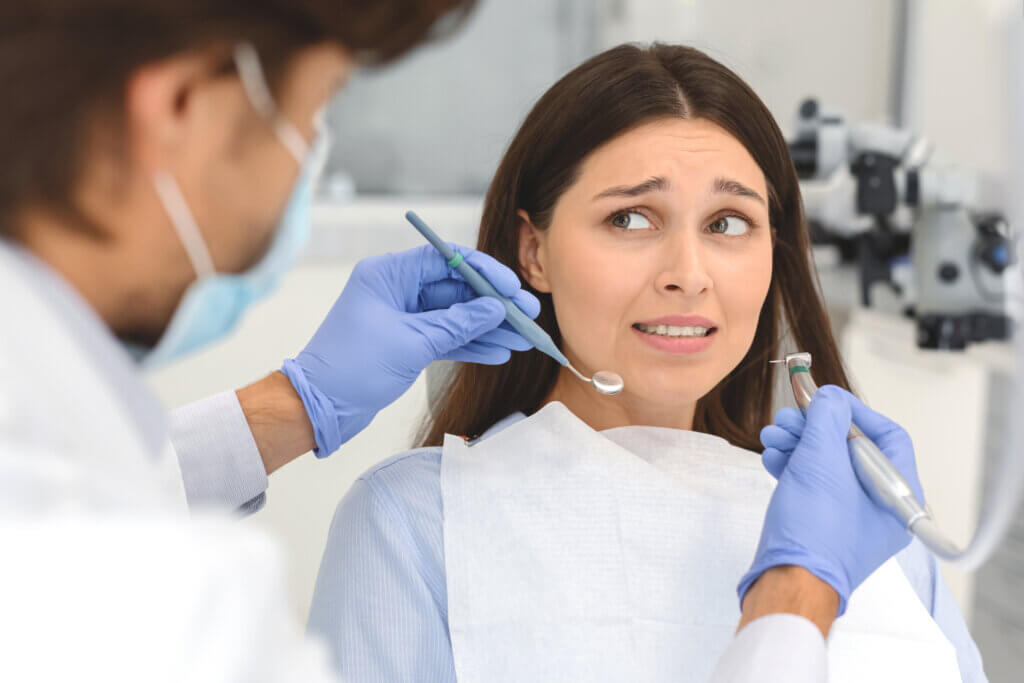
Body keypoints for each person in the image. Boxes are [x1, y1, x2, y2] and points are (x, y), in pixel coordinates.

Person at [307, 44, 987, 682]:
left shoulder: (866, 535)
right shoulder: (417, 523)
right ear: (533, 251)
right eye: (632, 219)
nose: (688, 275)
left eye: (727, 223)